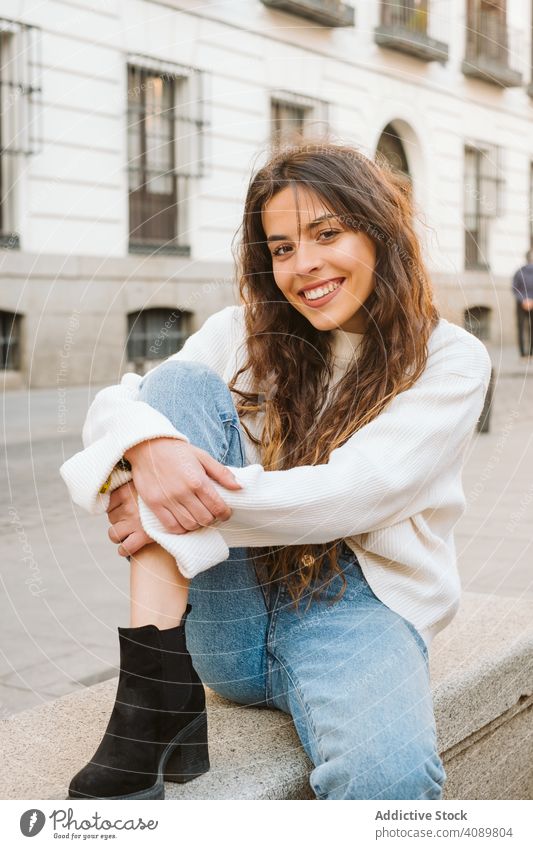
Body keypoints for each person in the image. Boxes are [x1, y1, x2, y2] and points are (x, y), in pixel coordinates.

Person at [60, 140, 491, 801]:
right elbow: (120, 404)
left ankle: (158, 707)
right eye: (282, 247)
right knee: (174, 388)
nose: (303, 264)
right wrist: (151, 453)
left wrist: (165, 500)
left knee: (390, 779)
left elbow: (358, 489)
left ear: (379, 232)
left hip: (357, 604)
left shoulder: (450, 358)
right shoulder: (243, 330)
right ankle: (151, 695)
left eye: (326, 233)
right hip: (231, 606)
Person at [512, 251, 533, 357]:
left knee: (521, 327)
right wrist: (527, 300)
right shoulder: (519, 272)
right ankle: (528, 353)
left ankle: (524, 354)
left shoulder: (519, 272)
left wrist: (525, 300)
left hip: (522, 302)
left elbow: (514, 288)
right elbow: (515, 288)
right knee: (525, 328)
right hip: (523, 303)